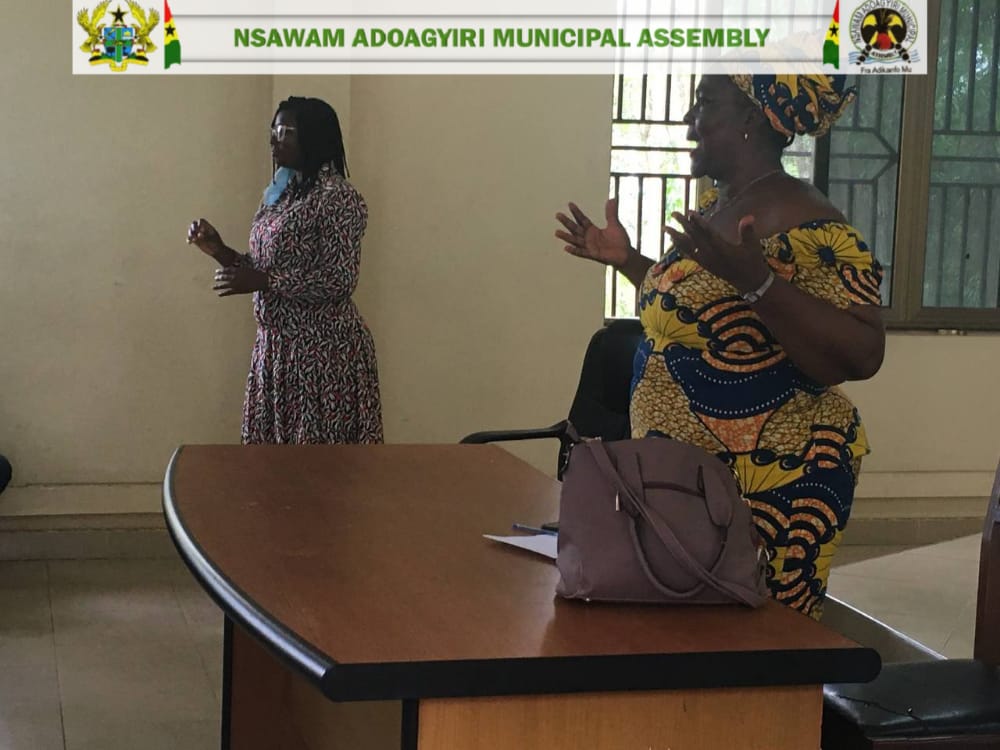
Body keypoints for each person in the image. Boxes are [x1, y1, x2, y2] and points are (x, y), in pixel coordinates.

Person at [555, 74, 884, 619]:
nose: (690, 120)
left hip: (771, 481)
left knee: (759, 645)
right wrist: (628, 261)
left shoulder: (810, 222)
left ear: (751, 117)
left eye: (704, 103)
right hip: (692, 480)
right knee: (686, 638)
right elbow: (702, 309)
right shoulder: (720, 205)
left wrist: (761, 282)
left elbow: (865, 350)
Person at [187, 96, 383, 445]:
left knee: (318, 467)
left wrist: (266, 280)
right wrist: (220, 250)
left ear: (314, 137)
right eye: (273, 131)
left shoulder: (337, 197)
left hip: (322, 356)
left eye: (286, 132)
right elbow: (265, 270)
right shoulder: (283, 193)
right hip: (276, 351)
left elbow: (339, 279)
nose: (274, 140)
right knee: (271, 467)